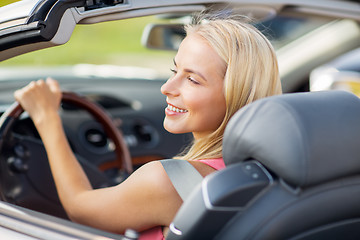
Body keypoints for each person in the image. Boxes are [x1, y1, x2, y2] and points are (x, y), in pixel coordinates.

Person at [14, 15, 282, 239]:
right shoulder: (282, 172)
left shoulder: (169, 182)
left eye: (193, 80)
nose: (167, 88)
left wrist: (47, 119)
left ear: (236, 94)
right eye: (174, 70)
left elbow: (80, 209)